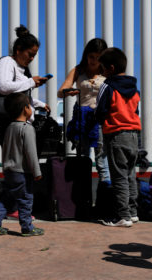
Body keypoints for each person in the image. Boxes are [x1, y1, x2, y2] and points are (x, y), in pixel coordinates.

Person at [0, 25, 50, 220]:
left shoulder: (21, 69)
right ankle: (14, 208)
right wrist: (31, 82)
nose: (32, 58)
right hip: (10, 124)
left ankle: (13, 207)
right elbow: (3, 87)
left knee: (19, 169)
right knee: (18, 170)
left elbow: (19, 95)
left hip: (21, 124)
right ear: (18, 50)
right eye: (30, 54)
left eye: (34, 55)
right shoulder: (7, 62)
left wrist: (39, 103)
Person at [58, 38, 111, 212]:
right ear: (86, 55)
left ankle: (104, 203)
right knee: (82, 161)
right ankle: (82, 201)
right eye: (91, 56)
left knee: (102, 161)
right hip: (82, 120)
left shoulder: (108, 71)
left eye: (97, 57)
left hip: (100, 121)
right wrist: (68, 92)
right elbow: (61, 91)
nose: (93, 60)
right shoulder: (78, 70)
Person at [0, 93, 44, 237]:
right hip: (22, 172)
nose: (32, 109)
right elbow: (31, 152)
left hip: (9, 170)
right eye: (30, 106)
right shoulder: (27, 128)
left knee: (8, 198)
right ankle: (27, 227)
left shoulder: (10, 127)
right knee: (25, 199)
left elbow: (6, 148)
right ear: (25, 109)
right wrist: (37, 172)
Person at [95, 48, 141, 227]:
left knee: (119, 176)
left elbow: (100, 111)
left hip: (115, 135)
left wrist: (100, 121)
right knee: (130, 174)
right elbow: (135, 111)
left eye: (103, 68)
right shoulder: (134, 88)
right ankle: (133, 212)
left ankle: (123, 216)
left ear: (111, 68)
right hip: (134, 135)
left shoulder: (108, 86)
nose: (102, 72)